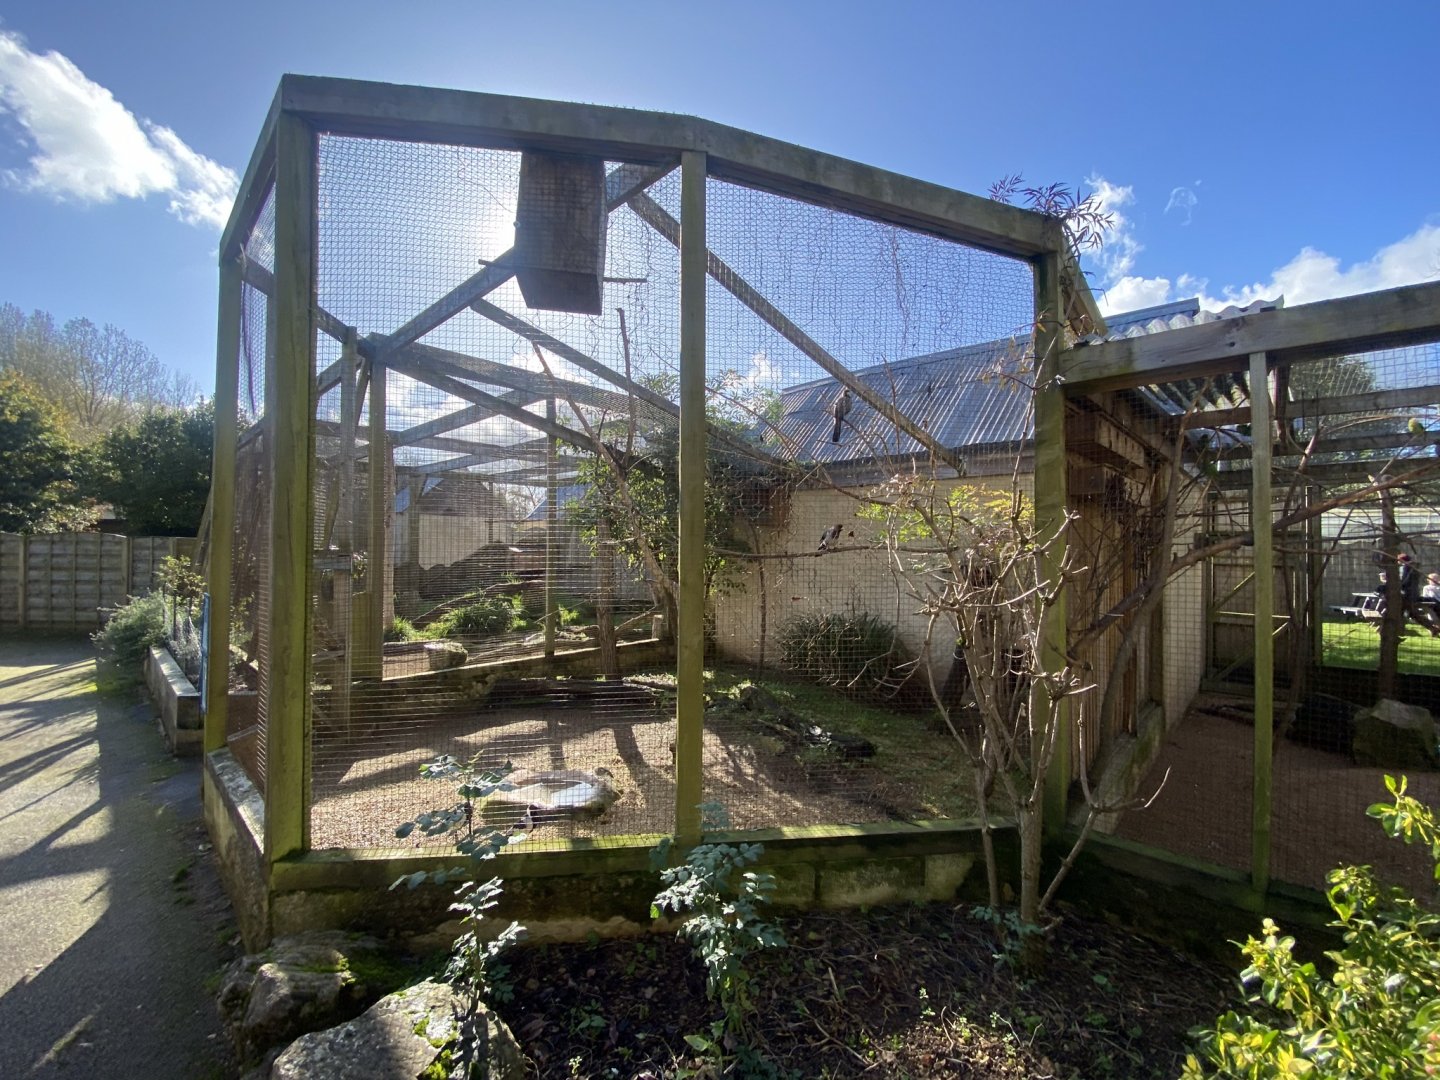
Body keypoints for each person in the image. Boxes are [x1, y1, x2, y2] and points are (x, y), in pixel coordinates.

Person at [1397, 554, 1440, 636]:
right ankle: (1432, 628)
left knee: (1406, 613)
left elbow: (1404, 582)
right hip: (1412, 595)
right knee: (1412, 614)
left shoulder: (1406, 568)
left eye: (1398, 561)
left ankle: (1397, 631)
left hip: (1407, 596)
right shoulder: (1413, 568)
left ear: (1401, 561)